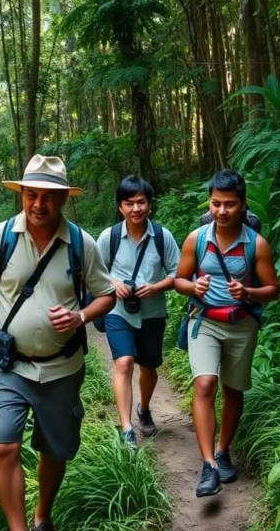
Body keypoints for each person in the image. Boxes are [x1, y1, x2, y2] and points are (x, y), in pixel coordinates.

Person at [0, 154, 115, 531]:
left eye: (48, 197)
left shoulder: (82, 243)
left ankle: (42, 515)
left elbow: (107, 294)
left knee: (54, 449)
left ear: (63, 199)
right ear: (22, 195)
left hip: (62, 366)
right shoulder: (0, 237)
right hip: (9, 364)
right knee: (4, 446)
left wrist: (80, 316)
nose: (38, 204)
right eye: (31, 195)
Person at [175, 170, 280, 497]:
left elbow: (273, 289)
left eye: (230, 205)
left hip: (241, 323)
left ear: (242, 205)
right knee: (205, 383)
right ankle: (208, 466)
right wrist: (195, 285)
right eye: (216, 203)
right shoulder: (197, 239)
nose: (222, 211)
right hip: (204, 320)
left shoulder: (256, 244)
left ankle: (223, 451)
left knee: (233, 391)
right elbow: (178, 281)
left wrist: (248, 293)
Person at [97, 176, 181, 446]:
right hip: (117, 311)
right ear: (120, 207)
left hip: (152, 313)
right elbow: (94, 272)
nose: (135, 209)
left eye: (141, 202)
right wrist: (114, 284)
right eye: (129, 203)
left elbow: (178, 273)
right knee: (123, 363)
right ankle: (126, 429)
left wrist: (156, 287)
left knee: (149, 366)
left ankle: (143, 409)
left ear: (149, 204)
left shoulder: (161, 236)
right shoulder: (108, 237)